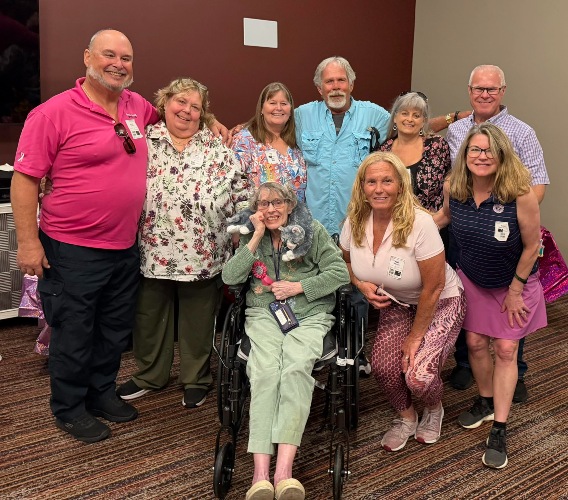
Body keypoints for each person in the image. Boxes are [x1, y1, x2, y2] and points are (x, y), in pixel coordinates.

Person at [11, 29, 159, 443]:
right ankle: (70, 408)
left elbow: (172, 114)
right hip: (71, 248)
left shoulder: (136, 106)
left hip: (124, 245)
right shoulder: (52, 113)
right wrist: (28, 242)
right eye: (109, 55)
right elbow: (25, 180)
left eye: (126, 58)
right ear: (87, 58)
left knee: (113, 330)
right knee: (74, 332)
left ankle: (100, 393)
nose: (118, 64)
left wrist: (213, 121)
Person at [116, 78, 251, 409]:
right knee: (149, 316)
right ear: (164, 103)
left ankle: (195, 378)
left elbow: (242, 191)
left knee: (198, 319)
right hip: (151, 248)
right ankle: (150, 375)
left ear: (204, 114)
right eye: (181, 102)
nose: (187, 111)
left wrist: (244, 228)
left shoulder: (216, 147)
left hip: (203, 251)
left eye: (195, 107)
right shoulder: (143, 140)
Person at [222, 182, 349, 500]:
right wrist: (254, 237)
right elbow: (230, 277)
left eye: (277, 202)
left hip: (309, 313)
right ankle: (260, 475)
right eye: (263, 204)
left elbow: (339, 273)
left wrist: (298, 287)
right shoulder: (254, 236)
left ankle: (284, 472)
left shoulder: (312, 231)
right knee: (265, 372)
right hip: (265, 313)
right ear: (255, 210)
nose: (271, 209)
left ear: (291, 205)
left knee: (295, 368)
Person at [435, 123, 546, 469]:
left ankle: (499, 427)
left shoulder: (519, 194)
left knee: (506, 348)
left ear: (501, 155)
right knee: (475, 343)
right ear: (465, 155)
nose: (481, 156)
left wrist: (515, 290)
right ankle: (484, 401)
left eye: (489, 151)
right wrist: (407, 228)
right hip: (473, 279)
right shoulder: (454, 187)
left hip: (514, 282)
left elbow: (532, 247)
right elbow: (444, 217)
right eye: (474, 150)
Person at [340, 151, 465, 452]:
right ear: (362, 186)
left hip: (441, 300)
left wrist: (415, 337)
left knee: (418, 375)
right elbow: (343, 262)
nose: (379, 189)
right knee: (383, 368)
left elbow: (433, 287)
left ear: (400, 185)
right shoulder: (355, 221)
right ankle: (407, 417)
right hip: (398, 301)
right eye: (371, 182)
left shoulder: (420, 223)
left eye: (387, 181)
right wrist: (360, 284)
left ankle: (433, 408)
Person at [446, 65, 550, 401]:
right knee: (471, 312)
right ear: (469, 91)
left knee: (510, 319)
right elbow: (454, 180)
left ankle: (514, 370)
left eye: (492, 89)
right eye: (479, 88)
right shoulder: (456, 130)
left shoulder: (522, 132)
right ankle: (467, 364)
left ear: (503, 91)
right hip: (467, 231)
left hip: (506, 233)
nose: (485, 94)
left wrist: (501, 212)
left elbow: (537, 186)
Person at [232, 82, 307, 201]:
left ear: (290, 110)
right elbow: (233, 183)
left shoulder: (298, 140)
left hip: (298, 212)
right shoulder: (245, 141)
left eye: (284, 103)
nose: (279, 108)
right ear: (261, 108)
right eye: (272, 103)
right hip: (259, 212)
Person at [379, 91, 450, 213]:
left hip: (432, 220)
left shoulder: (437, 146)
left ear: (424, 121)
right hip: (392, 219)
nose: (410, 119)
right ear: (395, 117)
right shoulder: (383, 151)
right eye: (404, 113)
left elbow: (450, 184)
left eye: (416, 116)